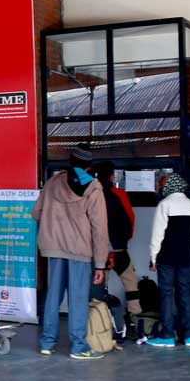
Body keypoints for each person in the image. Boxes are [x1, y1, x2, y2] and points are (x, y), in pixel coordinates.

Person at [32, 145, 109, 360]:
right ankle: (78, 347)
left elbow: (36, 213)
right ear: (89, 166)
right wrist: (100, 263)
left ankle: (47, 343)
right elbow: (99, 227)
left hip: (54, 249)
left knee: (52, 297)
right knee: (78, 299)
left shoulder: (53, 182)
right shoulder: (93, 187)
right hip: (79, 250)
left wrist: (55, 222)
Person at [147, 173, 190, 348]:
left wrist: (153, 258)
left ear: (169, 186)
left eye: (162, 185)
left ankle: (167, 336)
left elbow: (157, 235)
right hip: (185, 257)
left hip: (166, 257)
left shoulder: (165, 205)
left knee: (166, 295)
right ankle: (189, 336)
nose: (161, 188)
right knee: (185, 294)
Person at [94, 161, 141, 316]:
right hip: (119, 248)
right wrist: (125, 239)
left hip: (99, 250)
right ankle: (135, 316)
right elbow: (130, 218)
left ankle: (100, 320)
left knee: (100, 284)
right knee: (130, 282)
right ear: (112, 176)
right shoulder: (119, 194)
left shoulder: (92, 194)